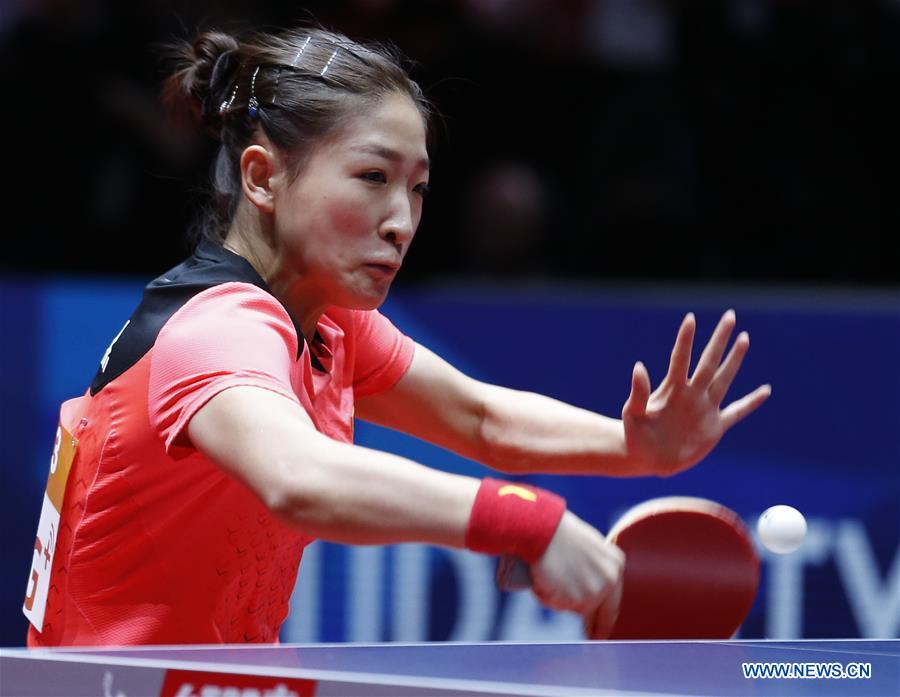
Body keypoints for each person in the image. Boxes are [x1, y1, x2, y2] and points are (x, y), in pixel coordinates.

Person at [24, 26, 770, 646]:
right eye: (372, 177)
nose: (402, 221)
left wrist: (638, 446)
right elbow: (300, 478)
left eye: (416, 188)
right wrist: (527, 521)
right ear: (262, 177)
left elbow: (480, 417)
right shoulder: (215, 326)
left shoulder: (328, 325)